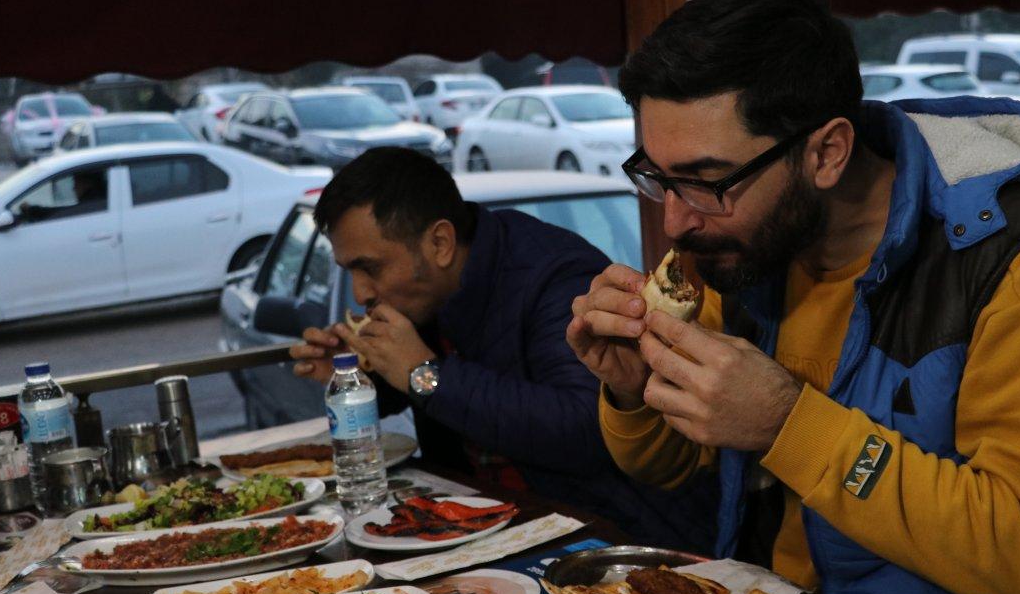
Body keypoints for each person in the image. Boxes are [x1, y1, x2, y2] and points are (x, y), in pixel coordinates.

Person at [567, 0, 1020, 594]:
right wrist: (634, 390)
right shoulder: (749, 253)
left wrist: (786, 422)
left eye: (706, 183)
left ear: (828, 152)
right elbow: (672, 464)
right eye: (657, 178)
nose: (674, 219)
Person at [289, 147, 711, 549]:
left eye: (370, 267)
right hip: (483, 531)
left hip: (614, 536)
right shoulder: (426, 300)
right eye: (350, 271)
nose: (360, 292)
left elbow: (587, 431)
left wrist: (424, 374)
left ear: (440, 243)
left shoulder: (554, 277)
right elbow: (456, 392)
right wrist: (362, 377)